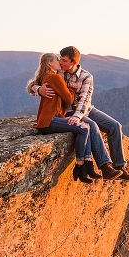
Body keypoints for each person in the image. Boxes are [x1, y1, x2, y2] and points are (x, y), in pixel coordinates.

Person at [32, 46, 129, 182]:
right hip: (67, 111)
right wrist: (39, 89)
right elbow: (33, 85)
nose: (61, 62)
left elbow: (85, 100)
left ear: (73, 63)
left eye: (64, 60)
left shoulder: (86, 76)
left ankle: (120, 168)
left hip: (84, 109)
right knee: (91, 126)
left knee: (115, 126)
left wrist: (78, 116)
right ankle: (105, 167)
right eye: (60, 59)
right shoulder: (58, 73)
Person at [27, 53, 99, 183]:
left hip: (48, 120)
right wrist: (71, 88)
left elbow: (33, 85)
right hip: (50, 121)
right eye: (57, 60)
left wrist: (38, 88)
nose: (60, 62)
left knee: (85, 127)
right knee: (84, 129)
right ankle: (81, 165)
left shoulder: (47, 76)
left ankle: (85, 165)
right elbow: (69, 99)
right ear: (50, 64)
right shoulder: (55, 78)